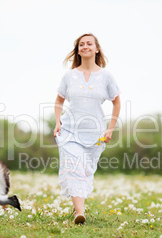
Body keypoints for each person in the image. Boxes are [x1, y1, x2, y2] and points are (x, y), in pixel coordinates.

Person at [53, 33, 121, 224]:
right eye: (81, 44)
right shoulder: (69, 76)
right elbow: (59, 101)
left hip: (95, 133)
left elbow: (117, 103)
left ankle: (79, 208)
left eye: (89, 44)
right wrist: (58, 122)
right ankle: (79, 212)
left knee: (85, 171)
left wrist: (110, 129)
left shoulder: (106, 76)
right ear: (78, 50)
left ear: (96, 49)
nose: (85, 47)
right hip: (69, 131)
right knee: (73, 167)